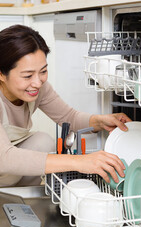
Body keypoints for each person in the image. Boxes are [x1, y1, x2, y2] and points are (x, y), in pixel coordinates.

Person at [0, 24, 131, 187]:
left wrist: (100, 121)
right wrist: (79, 162)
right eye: (27, 76)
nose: (37, 82)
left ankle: (17, 196)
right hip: (3, 162)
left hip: (7, 171)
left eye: (43, 71)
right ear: (1, 74)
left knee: (43, 142)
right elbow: (4, 158)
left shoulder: (38, 88)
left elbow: (68, 117)